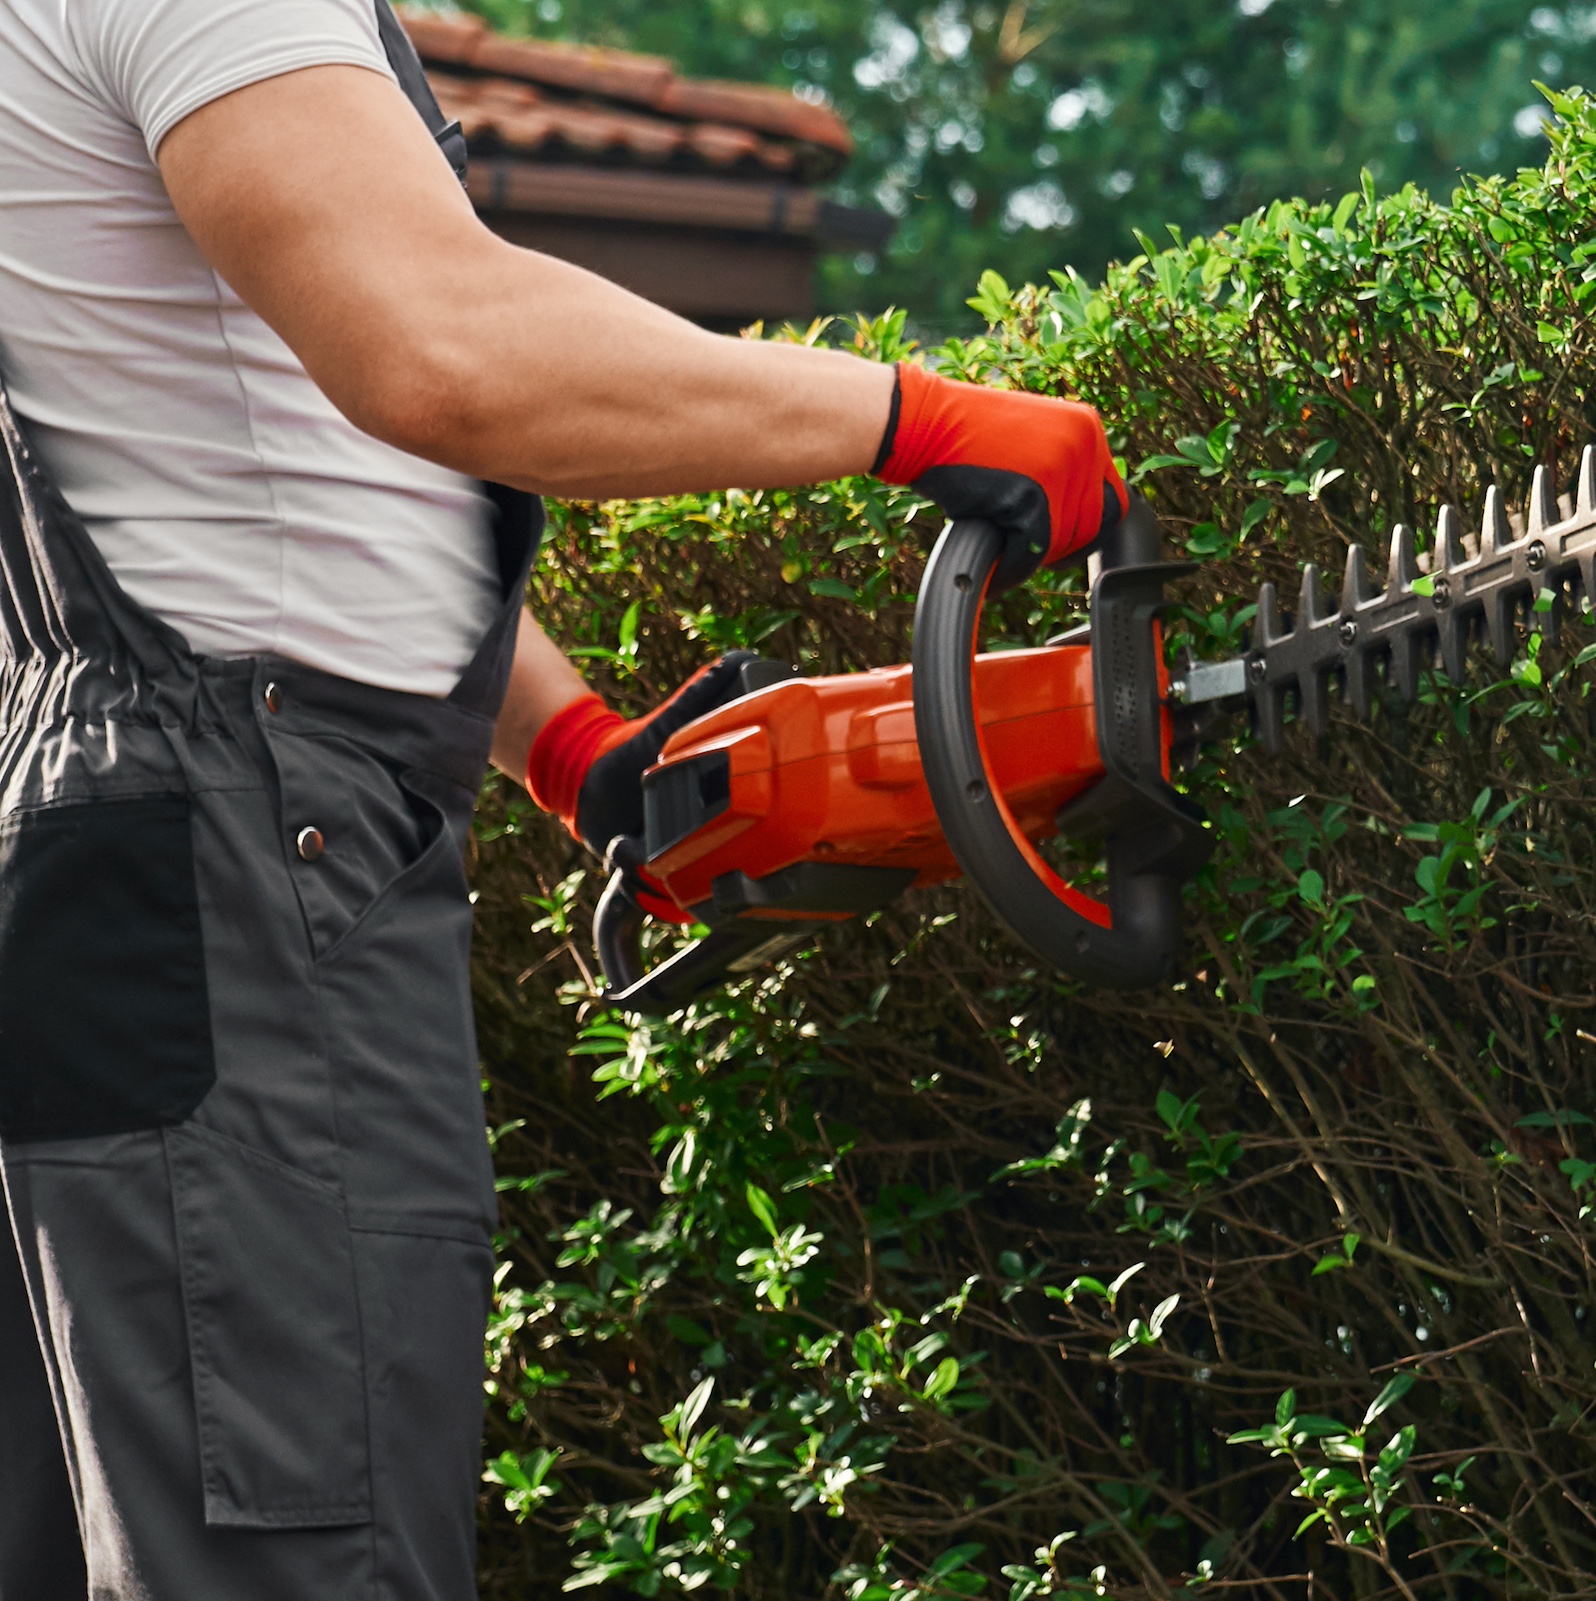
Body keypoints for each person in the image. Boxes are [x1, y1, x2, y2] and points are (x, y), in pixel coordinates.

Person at [0, 0, 1127, 1595]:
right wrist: (909, 419)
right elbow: (433, 350)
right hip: (243, 868)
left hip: (111, 845)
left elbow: (239, 434)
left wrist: (566, 742)